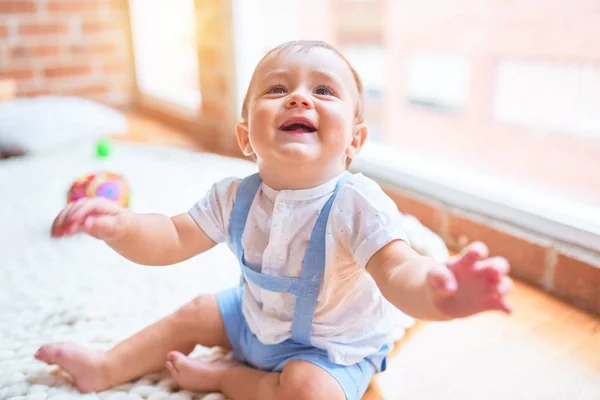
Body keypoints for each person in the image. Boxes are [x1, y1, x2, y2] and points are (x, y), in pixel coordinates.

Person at [35, 40, 512, 400]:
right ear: (246, 137)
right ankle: (104, 366)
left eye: (323, 90)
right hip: (251, 318)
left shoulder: (358, 204)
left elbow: (398, 270)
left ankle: (232, 379)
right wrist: (120, 227)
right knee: (193, 312)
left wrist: (440, 290)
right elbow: (171, 237)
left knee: (309, 391)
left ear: (354, 141)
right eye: (278, 88)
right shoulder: (234, 195)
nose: (299, 98)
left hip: (330, 348)